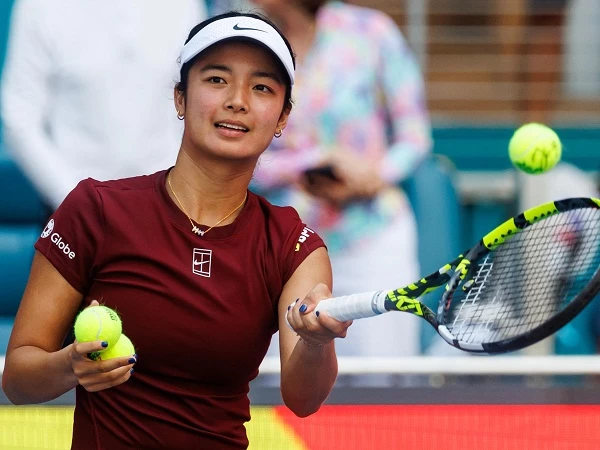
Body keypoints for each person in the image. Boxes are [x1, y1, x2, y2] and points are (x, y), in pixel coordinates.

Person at [1, 12, 351, 449]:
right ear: (180, 98)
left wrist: (316, 343)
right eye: (217, 80)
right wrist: (70, 366)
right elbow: (17, 378)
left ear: (282, 118)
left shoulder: (294, 246)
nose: (237, 100)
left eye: (262, 87)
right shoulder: (94, 209)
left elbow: (303, 399)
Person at [250, 0, 432, 368]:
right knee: (280, 378)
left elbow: (415, 136)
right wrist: (316, 162)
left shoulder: (372, 32)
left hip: (372, 240)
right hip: (285, 249)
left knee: (382, 379)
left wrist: (372, 177)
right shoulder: (247, 45)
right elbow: (241, 154)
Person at [1, 0, 207, 211]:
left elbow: (197, 103)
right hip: (72, 209)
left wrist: (175, 194)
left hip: (169, 204)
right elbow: (18, 118)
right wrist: (81, 205)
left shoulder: (184, 5)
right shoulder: (40, 6)